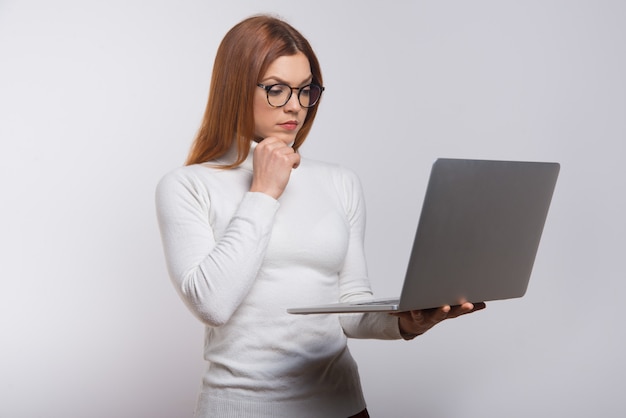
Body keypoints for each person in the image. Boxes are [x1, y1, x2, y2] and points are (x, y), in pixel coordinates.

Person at [155, 14, 485, 418]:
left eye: (306, 90)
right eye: (277, 89)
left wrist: (407, 323)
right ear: (235, 90)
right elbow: (212, 304)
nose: (295, 106)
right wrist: (263, 191)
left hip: (343, 406)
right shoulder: (187, 185)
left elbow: (349, 308)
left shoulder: (340, 181)